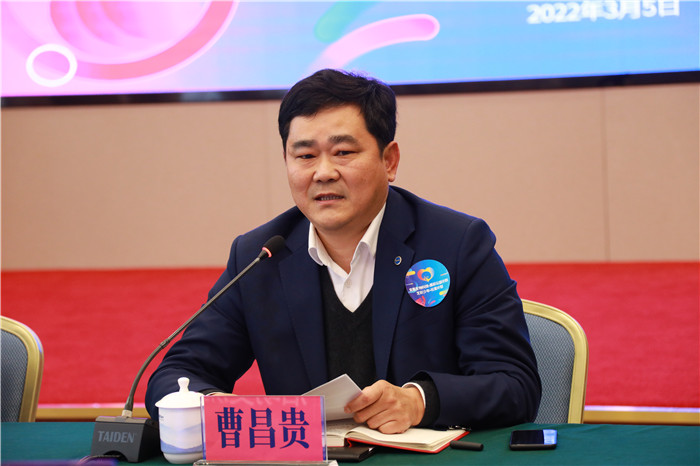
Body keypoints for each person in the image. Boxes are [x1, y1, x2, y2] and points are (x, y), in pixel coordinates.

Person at [145, 69, 541, 432]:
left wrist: (421, 401)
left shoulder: (456, 244)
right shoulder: (259, 257)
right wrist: (218, 408)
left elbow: (515, 385)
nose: (323, 172)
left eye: (343, 153)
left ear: (389, 160)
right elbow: (176, 376)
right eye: (305, 156)